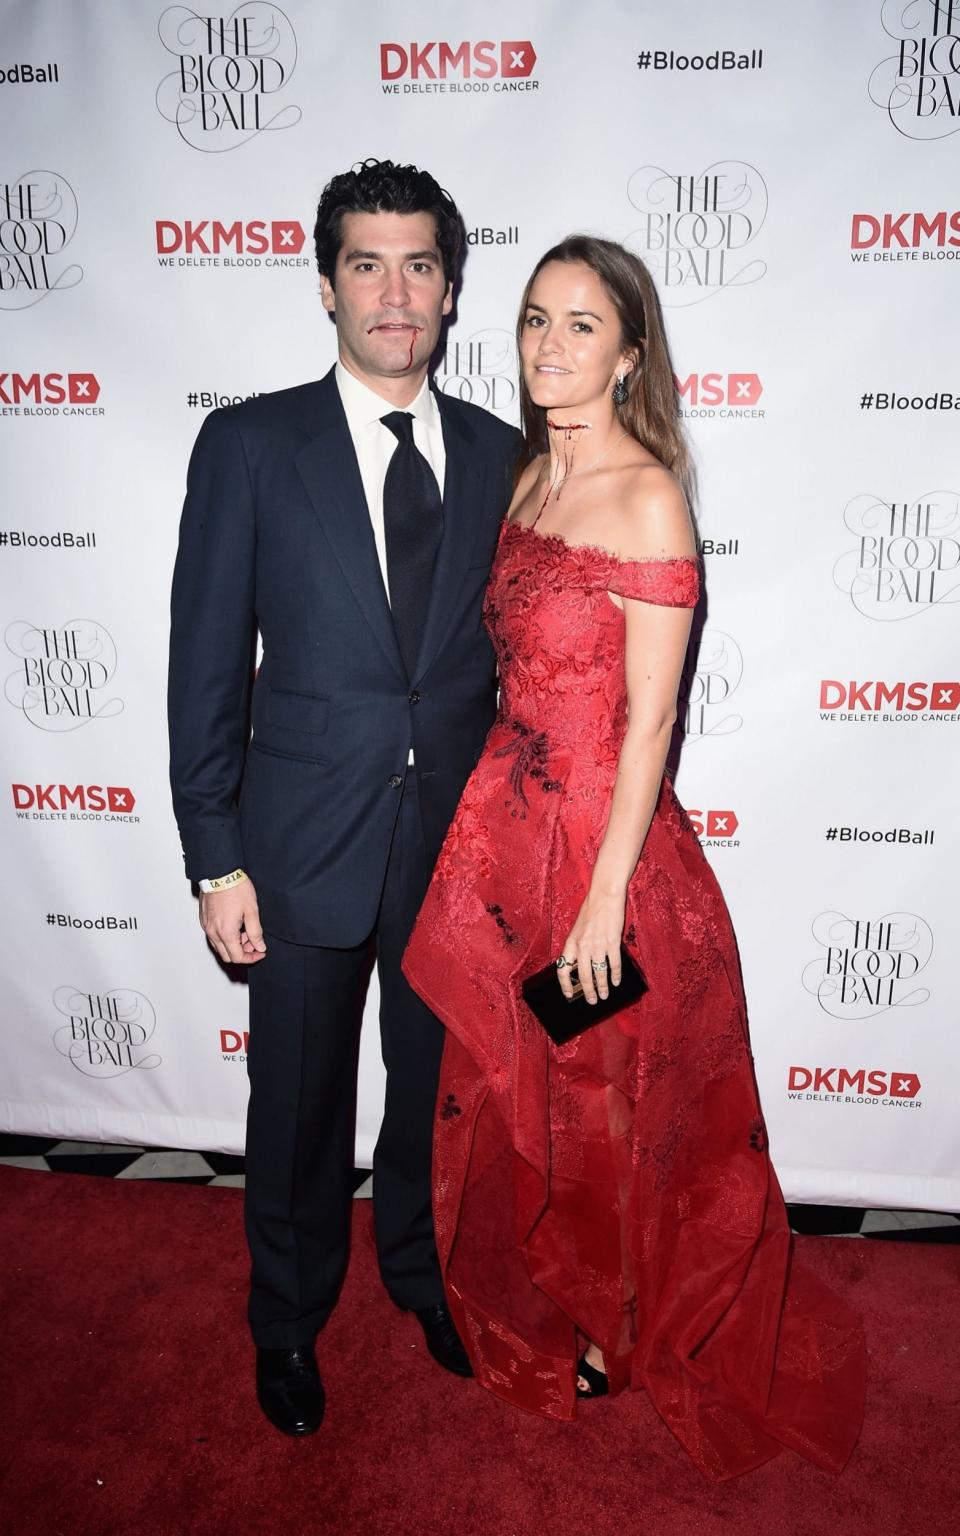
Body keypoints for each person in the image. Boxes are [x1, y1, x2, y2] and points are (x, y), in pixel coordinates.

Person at [402, 235, 866, 1479]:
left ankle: (618, 1321)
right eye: (536, 320)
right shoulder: (524, 479)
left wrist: (604, 900)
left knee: (611, 1098)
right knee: (530, 1091)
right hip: (508, 841)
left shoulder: (648, 493)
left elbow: (652, 720)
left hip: (605, 853)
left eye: (581, 327)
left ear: (629, 355)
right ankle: (561, 1290)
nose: (549, 346)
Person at [168, 159, 521, 1436]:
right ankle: (289, 1322)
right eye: (365, 264)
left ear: (449, 289)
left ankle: (423, 1278)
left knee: (433, 1093)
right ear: (325, 285)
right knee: (298, 1104)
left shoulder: (502, 457)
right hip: (299, 851)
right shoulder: (251, 446)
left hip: (451, 857)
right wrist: (216, 862)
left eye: (419, 264)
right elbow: (204, 664)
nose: (393, 291)